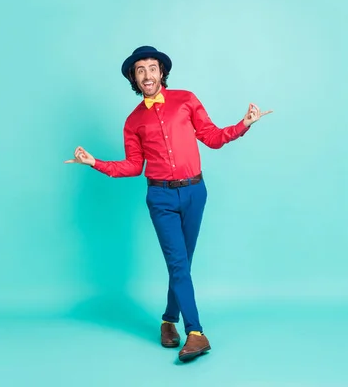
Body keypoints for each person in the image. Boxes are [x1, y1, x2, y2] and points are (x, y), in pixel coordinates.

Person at [65, 46, 272, 362]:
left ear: (161, 72)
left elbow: (212, 137)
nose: (147, 75)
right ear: (134, 78)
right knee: (178, 265)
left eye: (152, 68)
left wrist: (244, 123)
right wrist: (95, 162)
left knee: (182, 265)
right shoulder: (133, 121)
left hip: (195, 192)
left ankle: (167, 320)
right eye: (140, 70)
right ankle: (196, 333)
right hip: (160, 197)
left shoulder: (186, 100)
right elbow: (134, 166)